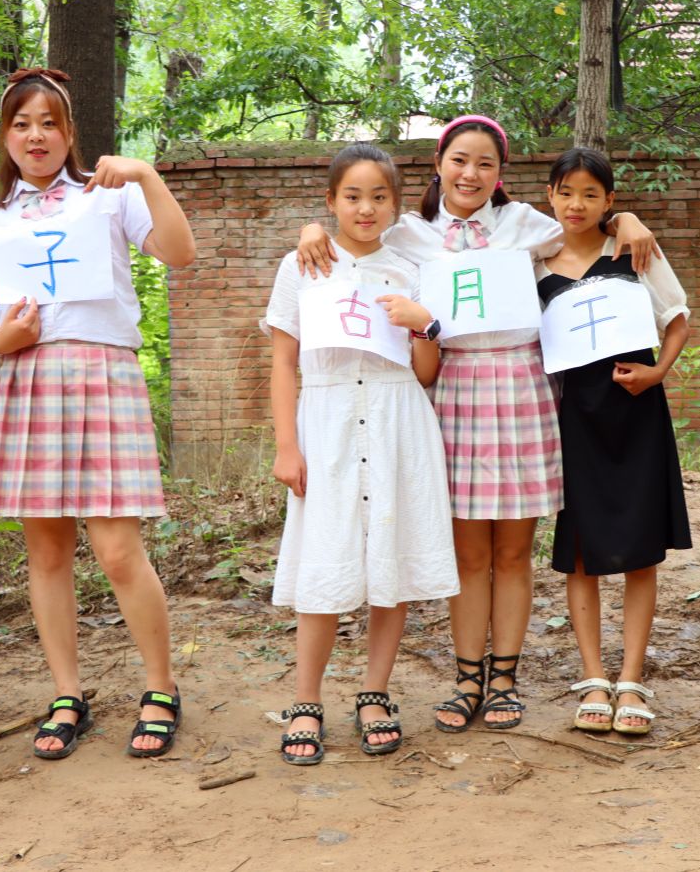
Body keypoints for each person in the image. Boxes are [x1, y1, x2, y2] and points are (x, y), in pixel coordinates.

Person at [296, 115, 660, 732]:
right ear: (439, 164)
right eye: (460, 160)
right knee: (468, 551)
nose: (471, 173)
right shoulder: (410, 233)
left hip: (521, 384)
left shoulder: (526, 226)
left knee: (514, 550)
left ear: (501, 175)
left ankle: (506, 681)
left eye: (486, 164)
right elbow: (351, 242)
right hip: (450, 386)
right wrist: (311, 225)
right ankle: (467, 678)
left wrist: (627, 219)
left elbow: (585, 221)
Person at [0, 68, 197, 760]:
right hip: (25, 378)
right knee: (47, 550)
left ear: (69, 133)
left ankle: (160, 686)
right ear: (5, 136)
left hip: (102, 374)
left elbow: (179, 253)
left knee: (118, 551)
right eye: (22, 123)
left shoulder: (108, 199)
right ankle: (67, 692)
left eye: (50, 123)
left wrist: (146, 175)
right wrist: (0, 341)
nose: (37, 135)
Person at [263, 144, 459, 765]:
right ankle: (305, 699)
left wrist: (422, 323)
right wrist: (286, 446)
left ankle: (375, 691)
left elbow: (426, 371)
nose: (365, 208)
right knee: (325, 558)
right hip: (326, 425)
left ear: (396, 206)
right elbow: (283, 363)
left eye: (379, 196)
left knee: (389, 561)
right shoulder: (301, 265)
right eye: (352, 196)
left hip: (399, 419)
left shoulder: (410, 269)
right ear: (330, 202)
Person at [534, 148, 692, 736]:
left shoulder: (633, 249)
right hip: (570, 416)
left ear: (609, 200)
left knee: (640, 545)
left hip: (635, 411)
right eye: (566, 192)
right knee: (582, 548)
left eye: (591, 194)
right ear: (549, 195)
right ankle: (593, 677)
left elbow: (676, 316)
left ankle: (631, 680)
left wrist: (658, 373)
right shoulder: (532, 260)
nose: (577, 204)